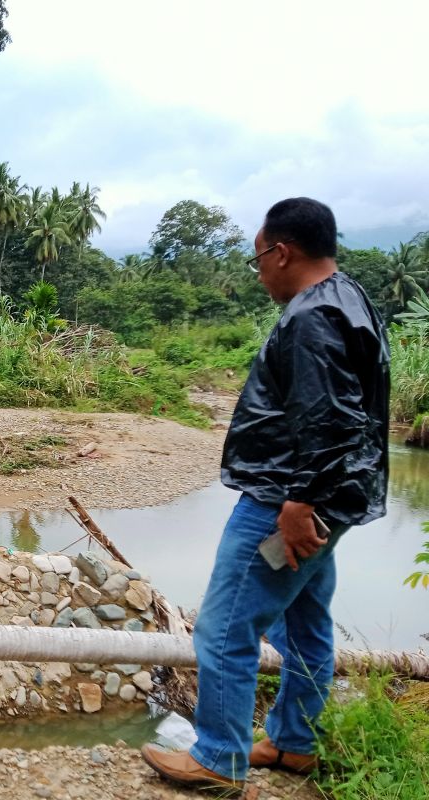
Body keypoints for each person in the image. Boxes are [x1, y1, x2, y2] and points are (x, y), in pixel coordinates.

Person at [141, 197, 390, 794]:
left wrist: (300, 502)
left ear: (281, 251)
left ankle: (218, 759)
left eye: (258, 259)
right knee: (303, 621)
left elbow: (327, 417)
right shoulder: (350, 300)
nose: (258, 273)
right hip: (334, 499)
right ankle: (292, 743)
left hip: (288, 502)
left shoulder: (310, 318)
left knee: (225, 627)